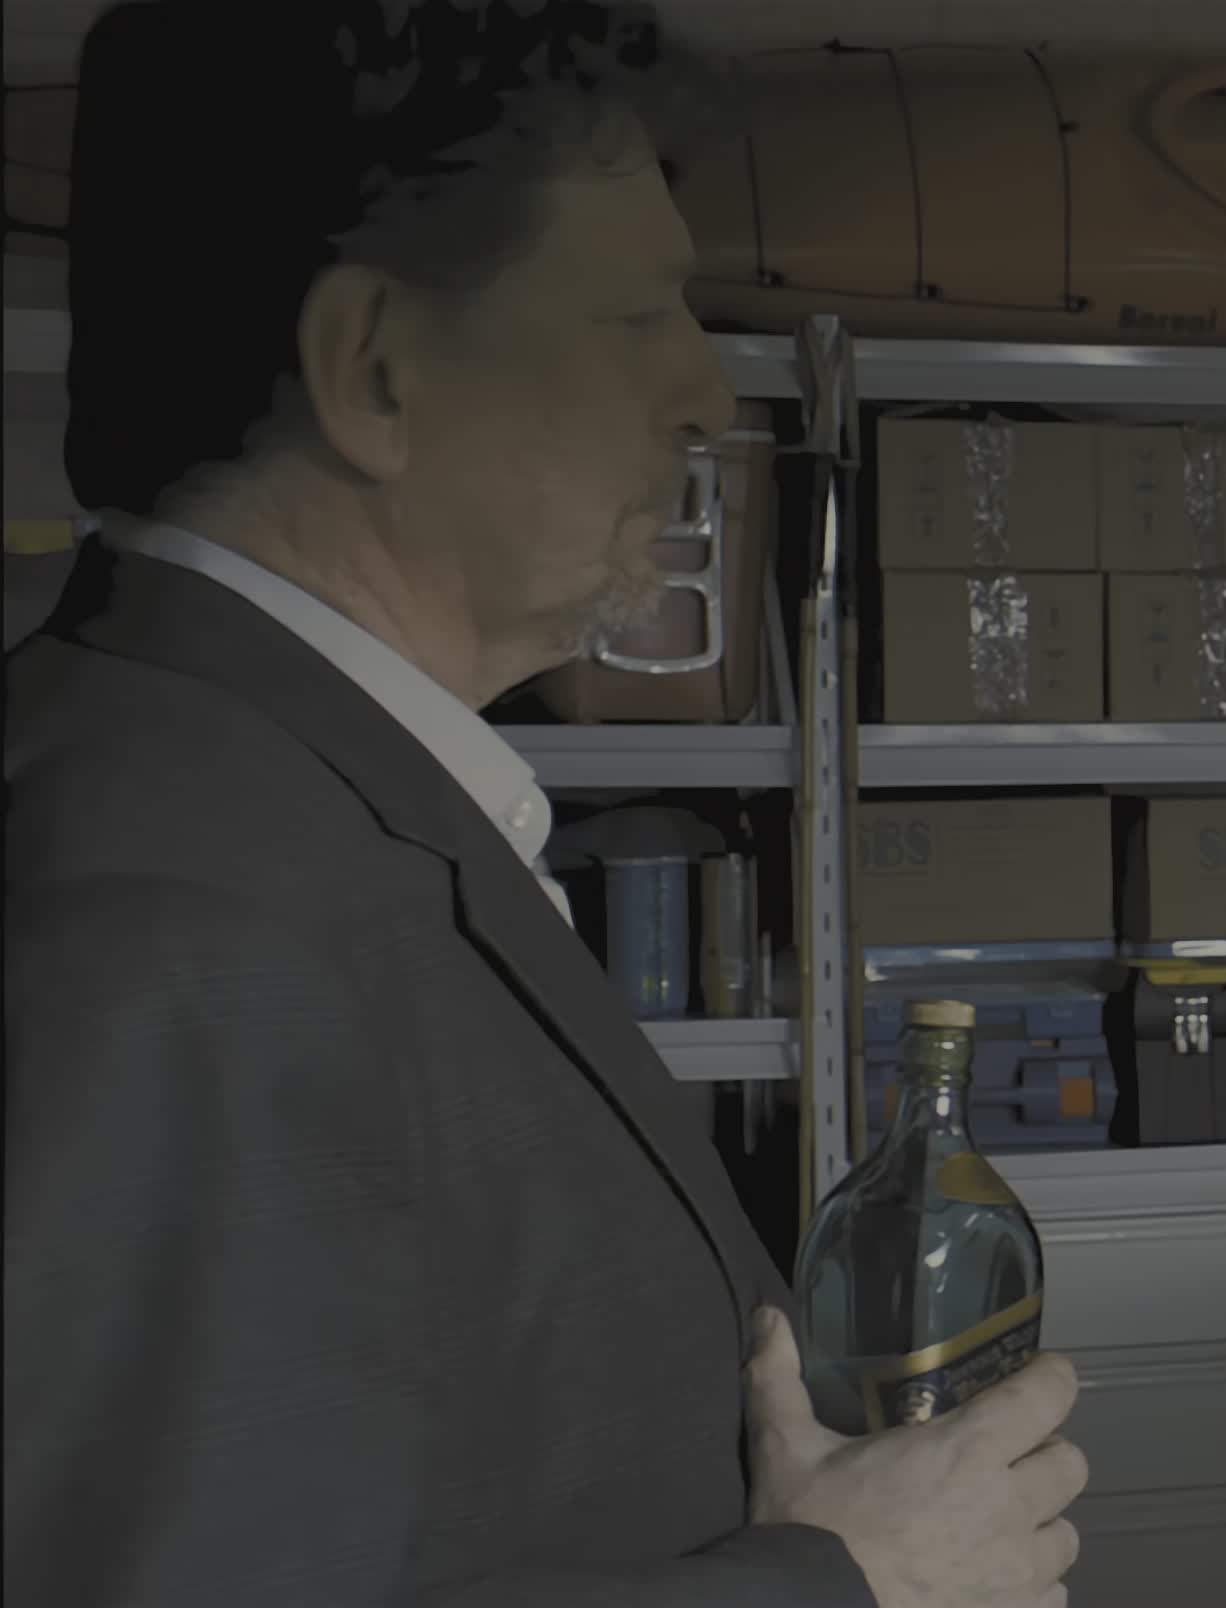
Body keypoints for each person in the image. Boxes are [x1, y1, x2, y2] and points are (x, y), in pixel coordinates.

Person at [4, 6, 1086, 1606]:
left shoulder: (299, 808)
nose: (703, 395)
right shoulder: (170, 920)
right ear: (377, 370)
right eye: (636, 315)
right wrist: (849, 1579)